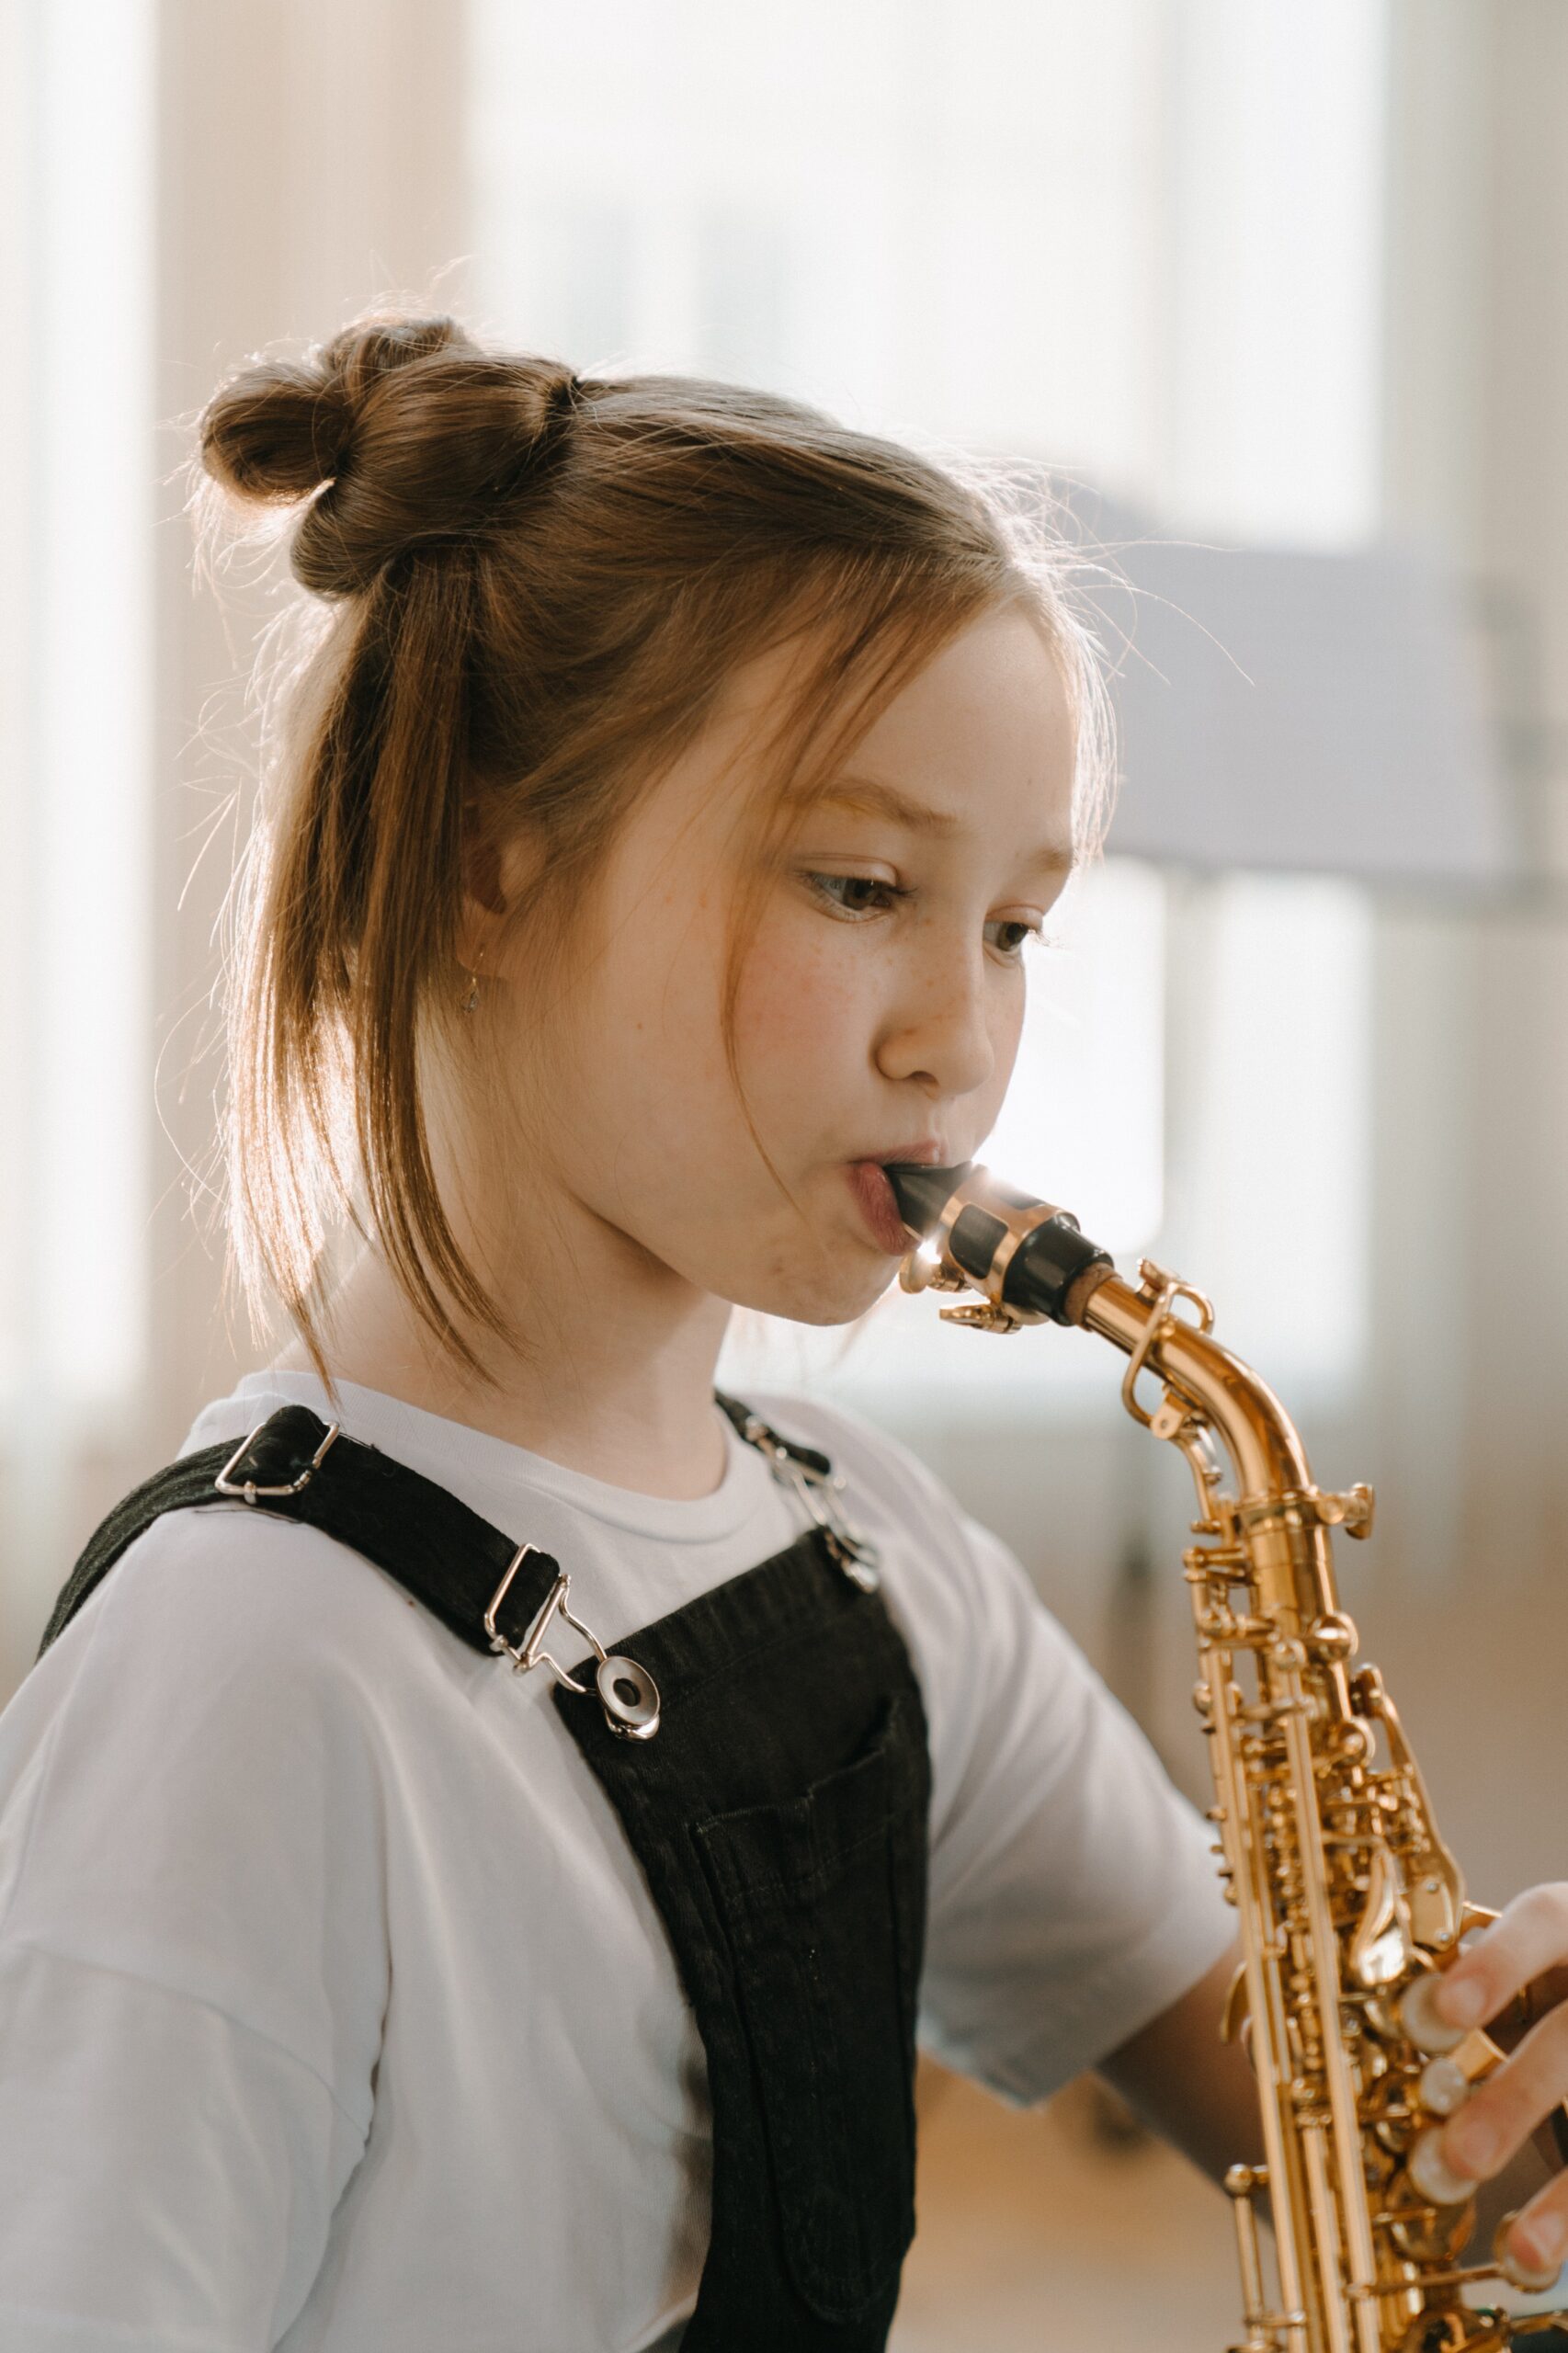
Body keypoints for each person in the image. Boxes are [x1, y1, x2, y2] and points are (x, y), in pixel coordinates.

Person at [1, 312, 1566, 2353]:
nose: (963, 1040)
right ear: (487, 863)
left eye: (1010, 925)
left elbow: (1343, 2133)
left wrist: (1493, 2086)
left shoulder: (866, 1548)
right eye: (856, 884)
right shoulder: (244, 1677)